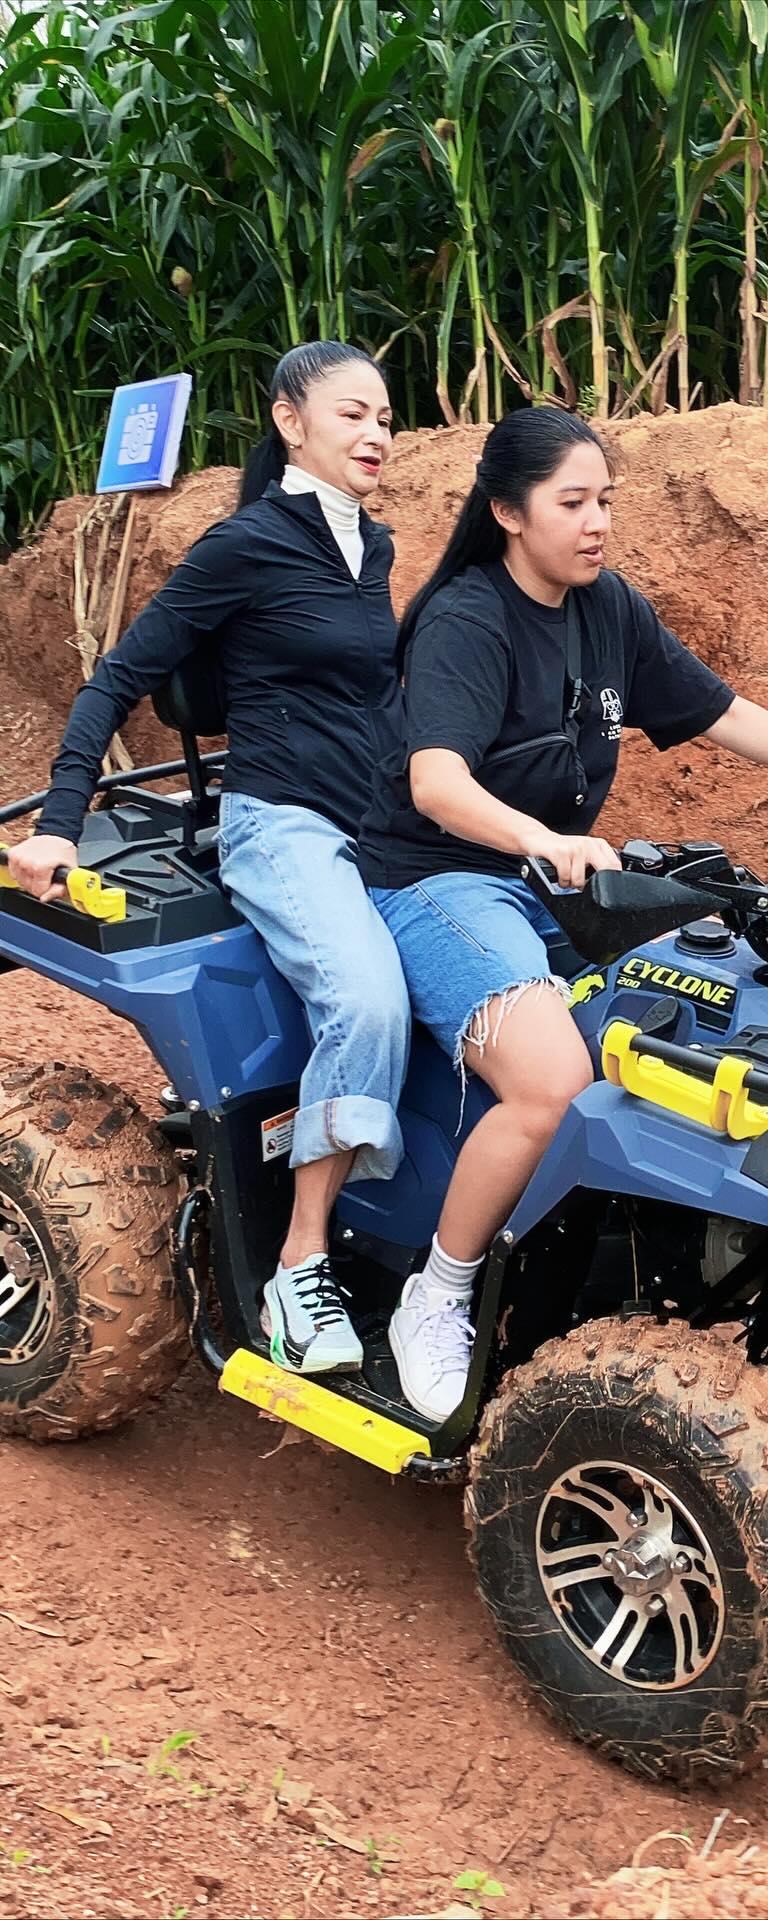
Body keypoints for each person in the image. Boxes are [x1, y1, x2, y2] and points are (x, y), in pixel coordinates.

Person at [361, 406, 768, 1421]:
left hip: (553, 881)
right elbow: (435, 783)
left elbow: (714, 708)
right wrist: (541, 838)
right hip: (439, 881)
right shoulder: (467, 621)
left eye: (605, 501)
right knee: (552, 1083)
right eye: (572, 503)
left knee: (714, 1011)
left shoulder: (605, 607)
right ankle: (436, 1294)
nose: (597, 522)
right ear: (508, 513)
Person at [8, 342, 412, 1384]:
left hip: (374, 823)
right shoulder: (245, 544)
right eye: (353, 414)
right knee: (368, 1003)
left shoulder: (371, 548)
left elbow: (376, 702)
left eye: (386, 418)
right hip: (281, 825)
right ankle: (299, 1267)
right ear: (290, 420)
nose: (377, 434)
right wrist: (59, 822)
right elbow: (115, 681)